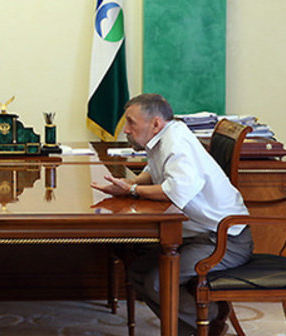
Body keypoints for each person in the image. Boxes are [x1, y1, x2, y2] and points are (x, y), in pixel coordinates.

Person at [91, 93, 253, 335]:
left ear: (155, 123)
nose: (125, 130)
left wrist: (133, 190)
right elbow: (153, 171)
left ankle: (211, 321)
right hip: (199, 234)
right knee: (138, 271)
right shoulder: (165, 137)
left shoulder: (176, 142)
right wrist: (130, 185)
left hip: (224, 240)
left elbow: (175, 191)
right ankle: (195, 327)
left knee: (157, 281)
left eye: (131, 122)